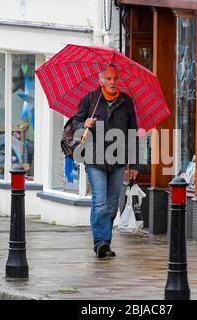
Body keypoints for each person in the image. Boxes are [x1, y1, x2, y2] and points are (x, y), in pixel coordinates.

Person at [72, 65, 139, 259]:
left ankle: (105, 241)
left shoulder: (126, 102)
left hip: (118, 160)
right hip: (94, 159)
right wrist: (83, 124)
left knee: (111, 204)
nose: (112, 82)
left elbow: (133, 133)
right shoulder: (90, 100)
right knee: (99, 202)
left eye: (115, 79)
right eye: (108, 79)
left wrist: (133, 164)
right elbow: (75, 123)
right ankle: (101, 242)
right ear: (101, 80)